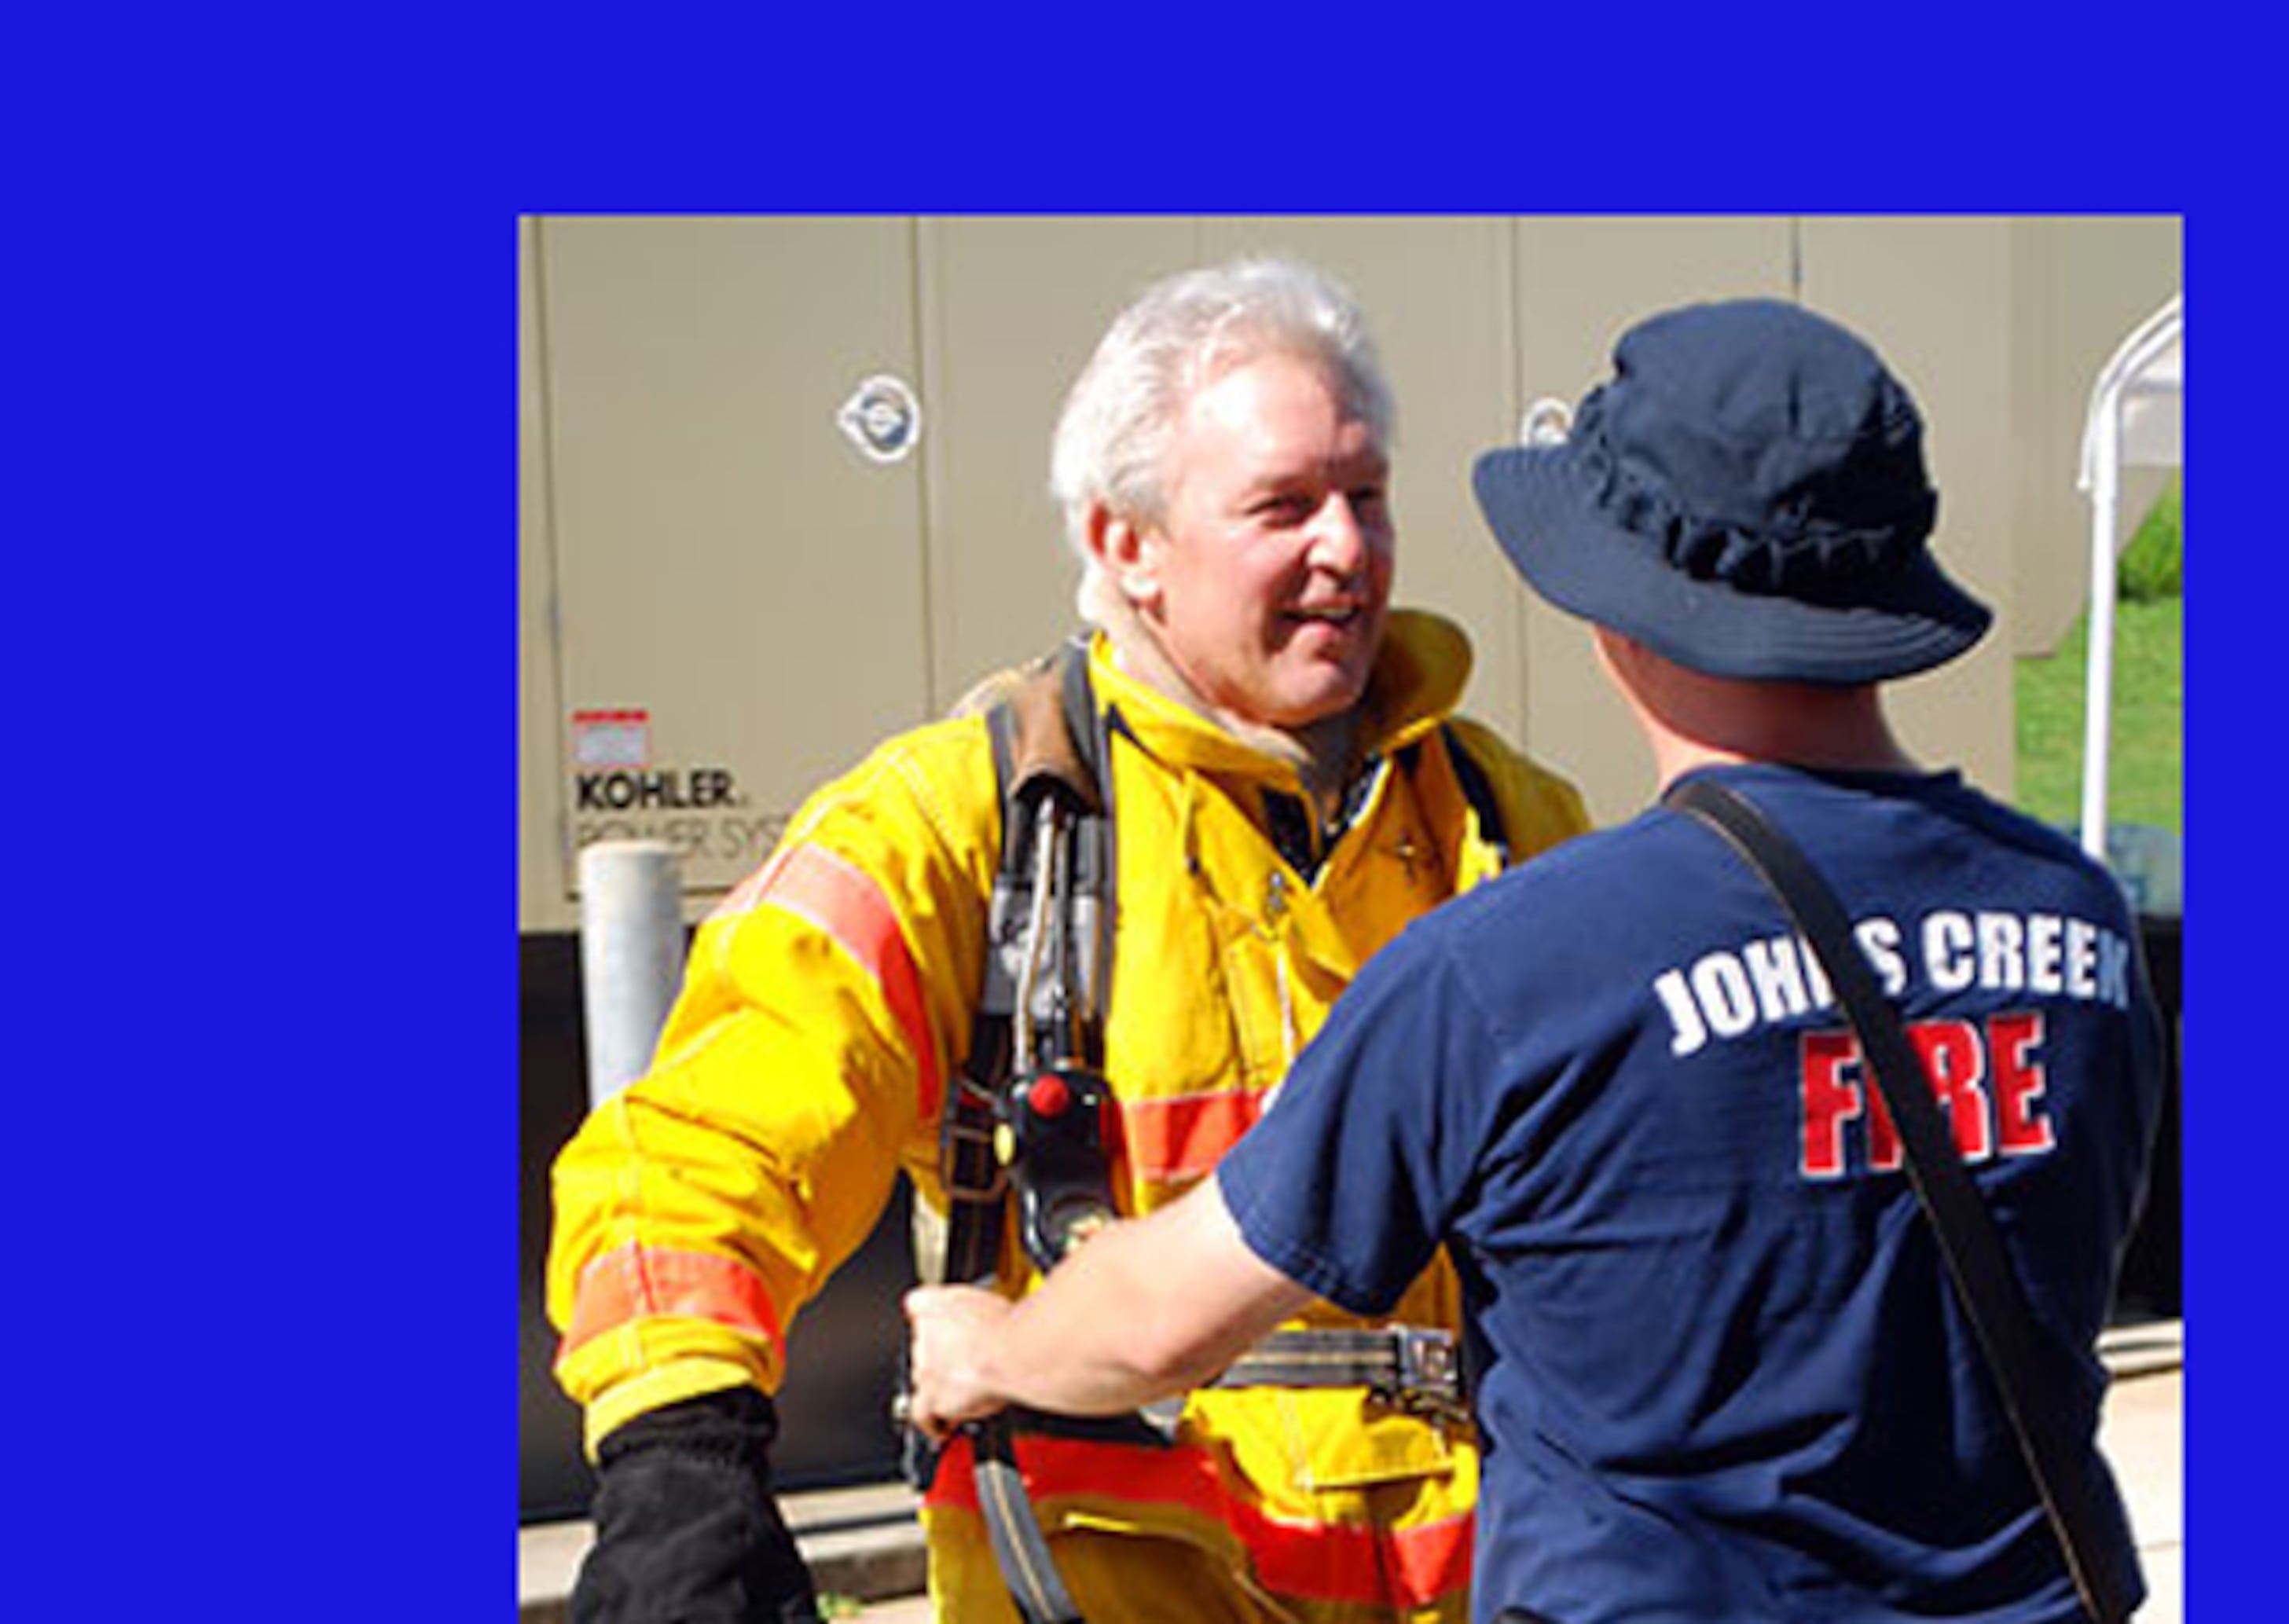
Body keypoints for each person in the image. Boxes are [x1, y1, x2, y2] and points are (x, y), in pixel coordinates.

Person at [908, 298, 2170, 1622]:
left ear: (1616, 606)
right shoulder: (2078, 920)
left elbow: (1165, 1318)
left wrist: (995, 1348)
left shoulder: (1521, 967)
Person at [547, 254, 1591, 1624]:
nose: (1346, 547)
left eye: (1367, 494)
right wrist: (677, 1470)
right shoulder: (961, 824)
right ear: (1125, 546)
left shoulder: (1504, 826)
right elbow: (688, 1163)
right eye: (1283, 506)